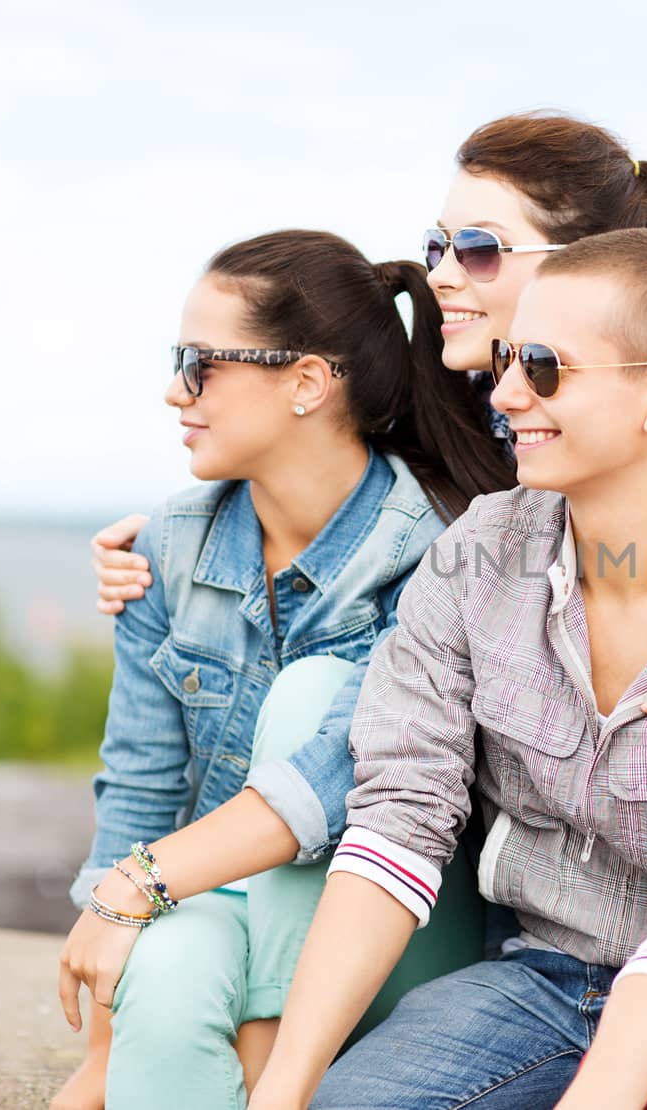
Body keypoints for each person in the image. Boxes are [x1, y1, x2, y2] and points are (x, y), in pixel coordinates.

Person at [89, 113, 647, 781]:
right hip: (464, 793)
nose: (440, 273)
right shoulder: (451, 393)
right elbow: (306, 488)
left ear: (586, 264)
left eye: (478, 250)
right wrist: (156, 558)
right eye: (438, 244)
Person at [245, 228, 647, 1110]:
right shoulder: (475, 556)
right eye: (506, 358)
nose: (504, 393)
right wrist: (285, 1091)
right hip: (544, 979)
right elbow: (398, 818)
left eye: (542, 365)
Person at [52, 230, 515, 1110]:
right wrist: (102, 1051)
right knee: (173, 974)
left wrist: (143, 902)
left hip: (396, 928)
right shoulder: (168, 547)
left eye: (200, 364)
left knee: (311, 702)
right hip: (222, 901)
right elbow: (142, 790)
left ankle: (275, 1066)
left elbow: (331, 778)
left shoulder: (437, 555)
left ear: (307, 382)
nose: (174, 390)